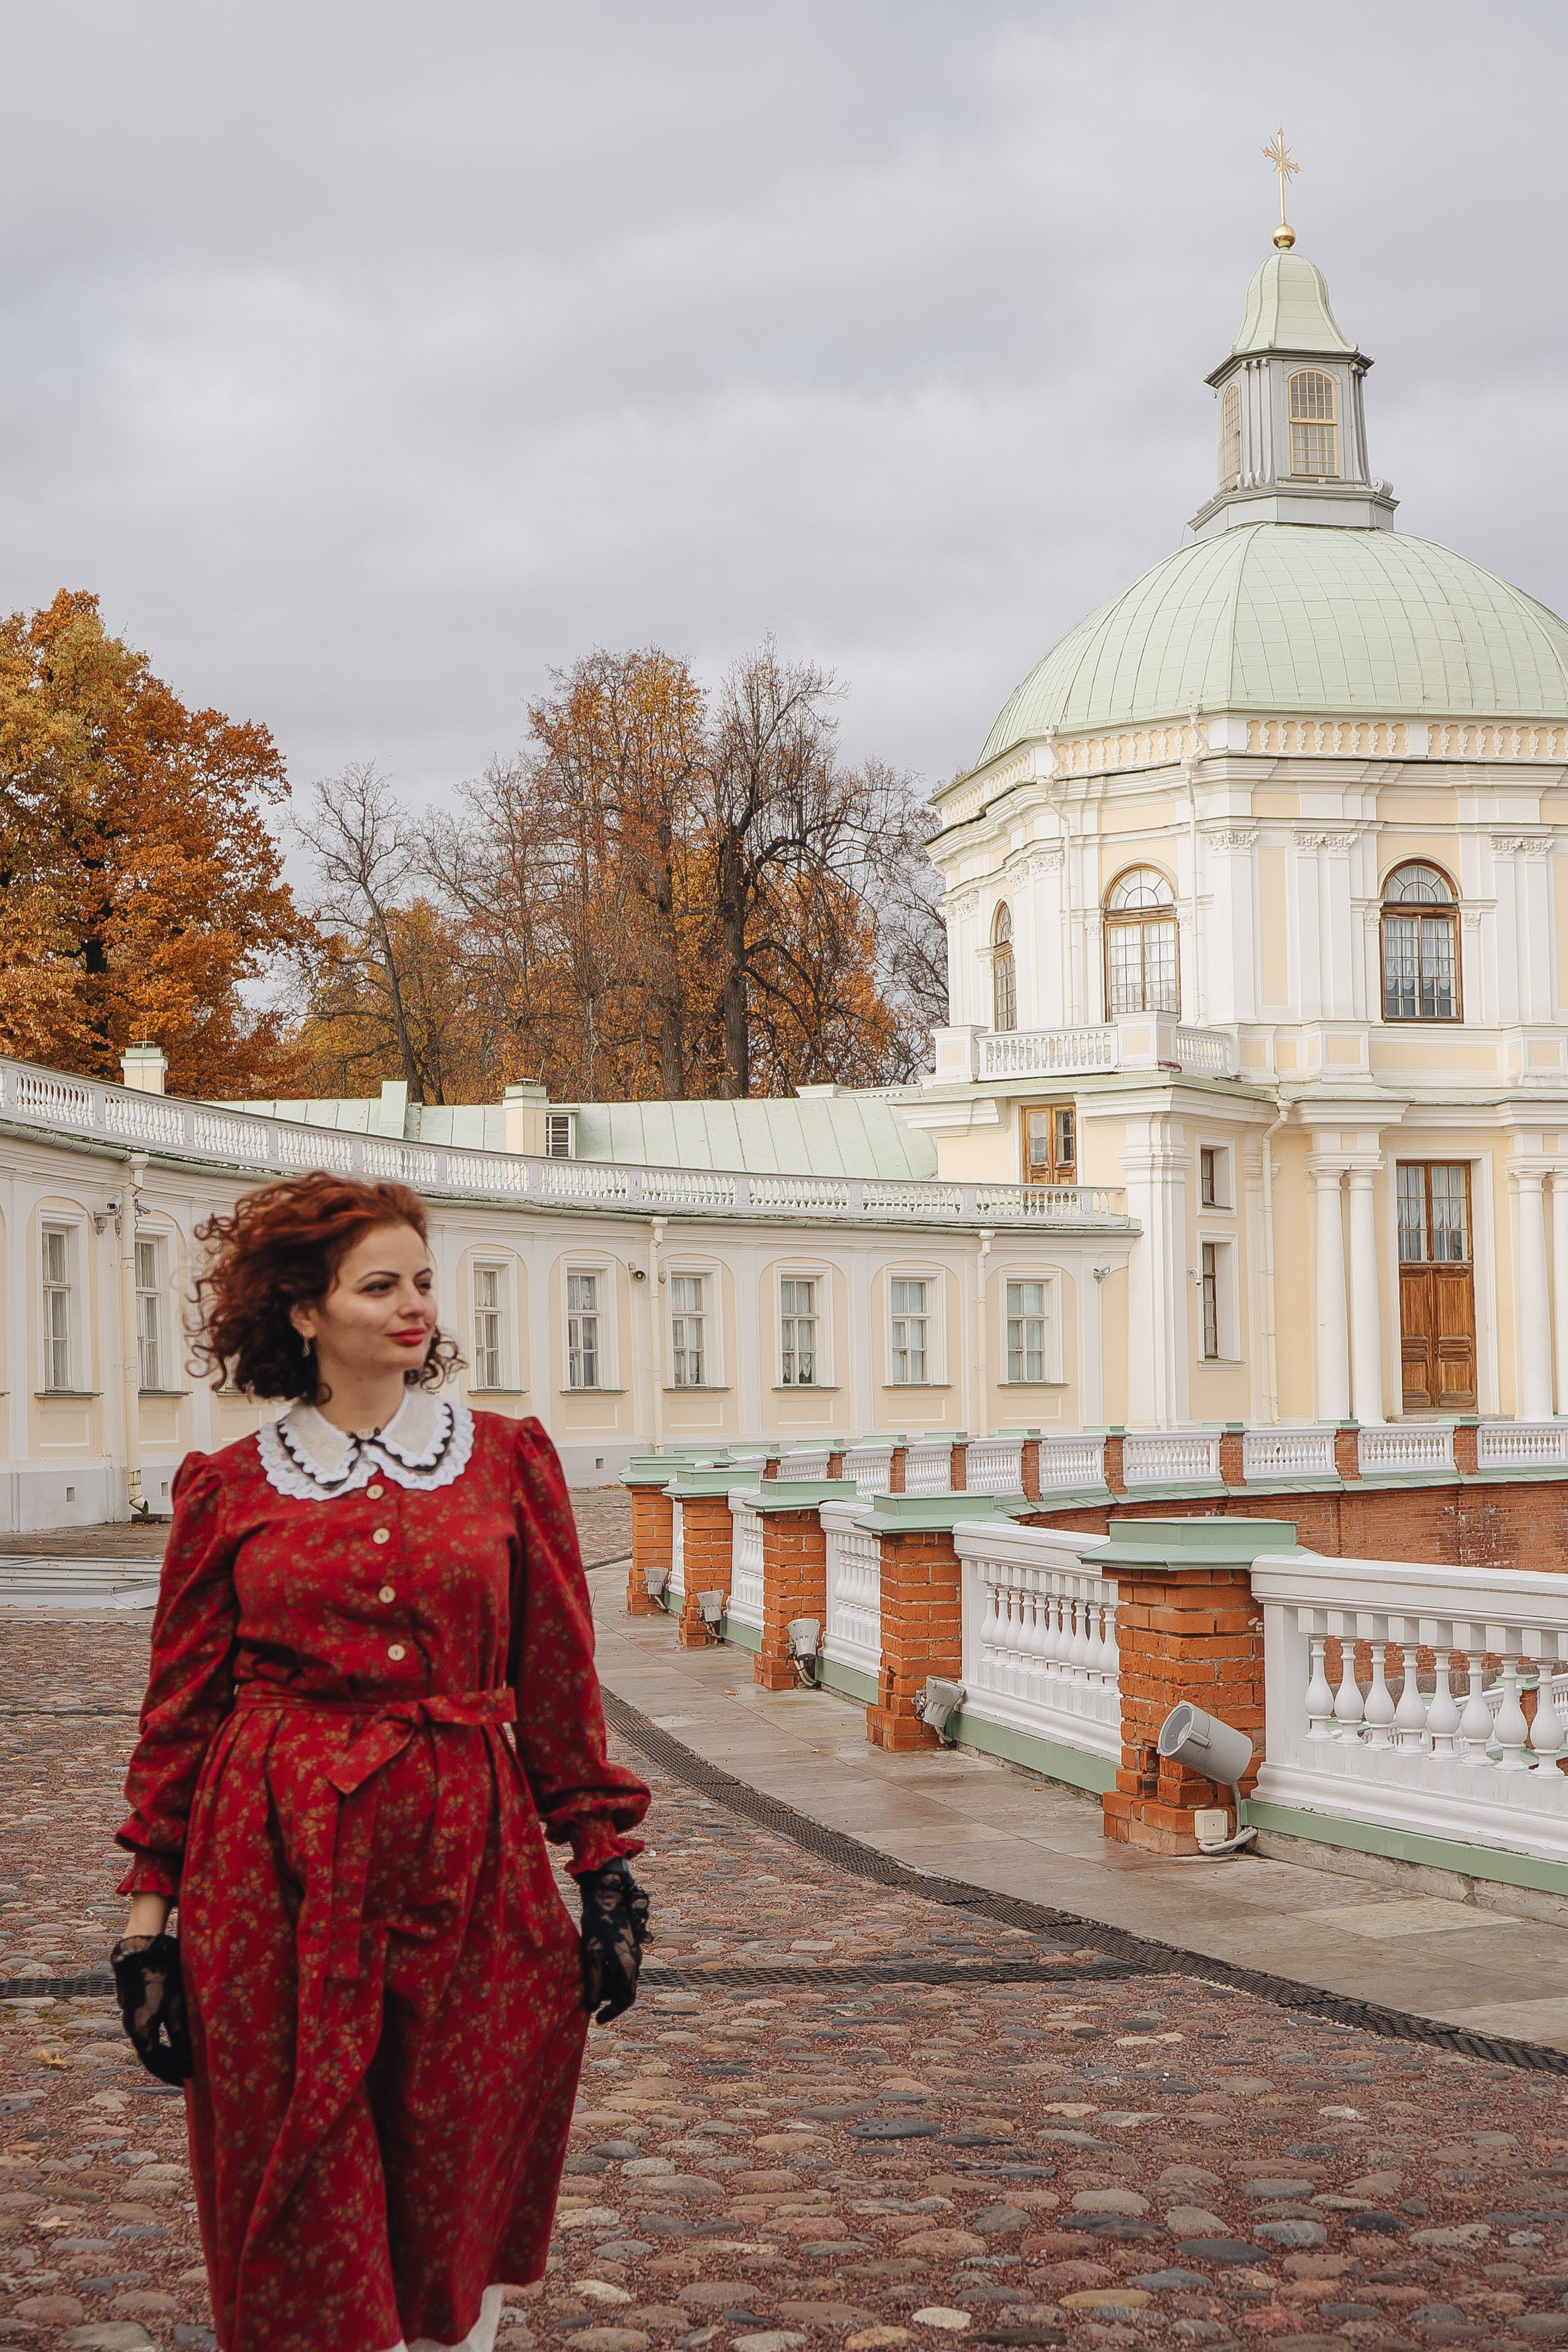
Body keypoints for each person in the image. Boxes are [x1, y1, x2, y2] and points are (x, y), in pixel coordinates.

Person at [110, 1173, 651, 2352]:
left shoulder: (504, 1461)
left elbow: (558, 1677)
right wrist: (147, 1927)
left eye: (421, 1282)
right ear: (304, 1311)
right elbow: (181, 1712)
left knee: (457, 2138)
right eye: (379, 1287)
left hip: (469, 1850)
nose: (414, 1307)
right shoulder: (229, 1488)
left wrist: (603, 1866)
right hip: (271, 1862)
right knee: (291, 2155)